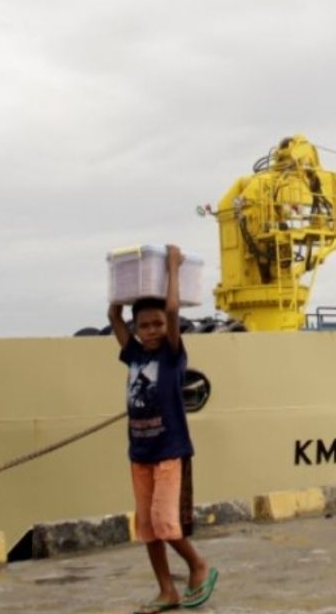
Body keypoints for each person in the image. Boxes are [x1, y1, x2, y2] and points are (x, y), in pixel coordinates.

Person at [108, 244, 218, 612]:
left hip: (170, 450)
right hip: (140, 453)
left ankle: (198, 565)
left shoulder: (172, 354)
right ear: (136, 330)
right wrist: (120, 287)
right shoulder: (135, 354)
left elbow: (172, 310)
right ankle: (166, 590)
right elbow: (114, 315)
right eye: (145, 326)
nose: (153, 330)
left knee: (165, 523)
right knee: (147, 529)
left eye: (157, 324)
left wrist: (171, 266)